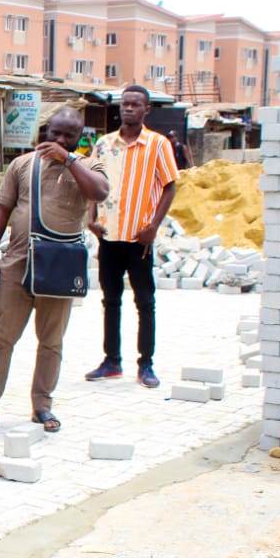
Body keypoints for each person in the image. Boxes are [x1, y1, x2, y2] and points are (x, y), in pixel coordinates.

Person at [0, 109, 108, 434]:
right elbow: (0, 209)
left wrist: (69, 159)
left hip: (60, 266)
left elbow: (99, 192)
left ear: (78, 137)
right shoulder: (22, 165)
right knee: (1, 338)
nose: (59, 141)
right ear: (45, 132)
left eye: (68, 136)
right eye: (54, 133)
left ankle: (43, 406)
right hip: (17, 262)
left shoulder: (87, 165)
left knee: (51, 342)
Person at [85, 85, 179, 388]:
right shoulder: (103, 144)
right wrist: (90, 218)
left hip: (140, 239)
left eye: (136, 104)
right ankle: (112, 361)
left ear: (146, 109)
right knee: (110, 301)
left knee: (145, 302)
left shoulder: (157, 144)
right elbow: (93, 180)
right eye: (125, 104)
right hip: (109, 236)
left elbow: (170, 186)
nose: (129, 108)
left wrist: (154, 226)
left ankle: (146, 364)